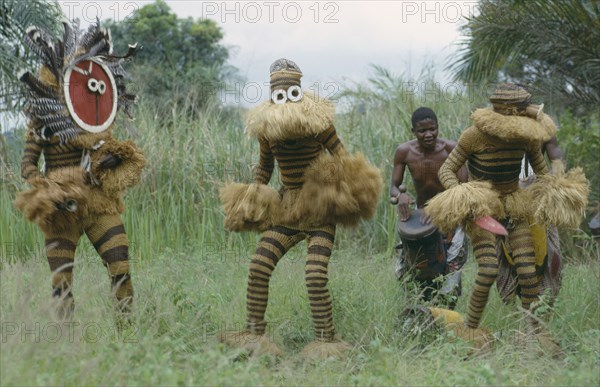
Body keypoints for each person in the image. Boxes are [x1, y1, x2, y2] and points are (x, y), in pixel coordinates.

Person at [218, 59, 382, 359]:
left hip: (319, 211)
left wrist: (334, 186)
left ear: (298, 88)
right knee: (259, 266)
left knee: (315, 275)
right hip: (287, 210)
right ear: (271, 93)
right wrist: (253, 193)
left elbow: (343, 158)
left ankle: (326, 340)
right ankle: (254, 333)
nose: (285, 96)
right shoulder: (267, 128)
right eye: (278, 92)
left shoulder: (317, 121)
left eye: (290, 90)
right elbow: (265, 166)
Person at [426, 83, 588, 354]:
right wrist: (464, 195)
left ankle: (534, 335)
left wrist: (557, 191)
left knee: (528, 272)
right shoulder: (474, 135)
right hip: (483, 209)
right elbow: (447, 170)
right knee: (488, 269)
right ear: (508, 111)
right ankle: (471, 331)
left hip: (516, 205)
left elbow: (542, 171)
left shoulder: (526, 138)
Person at [14, 21, 145, 321]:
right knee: (61, 282)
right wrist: (49, 189)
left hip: (98, 199)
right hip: (60, 207)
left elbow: (104, 150)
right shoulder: (40, 120)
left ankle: (126, 335)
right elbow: (27, 165)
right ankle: (67, 346)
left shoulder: (93, 114)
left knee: (120, 266)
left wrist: (110, 161)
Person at [389, 107, 468, 306]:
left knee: (451, 269)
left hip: (449, 216)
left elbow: (464, 189)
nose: (428, 134)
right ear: (413, 131)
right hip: (421, 219)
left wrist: (437, 208)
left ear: (438, 127)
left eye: (432, 129)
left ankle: (447, 316)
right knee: (412, 271)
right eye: (422, 130)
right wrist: (401, 196)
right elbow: (393, 187)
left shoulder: (451, 149)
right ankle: (418, 312)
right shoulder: (404, 152)